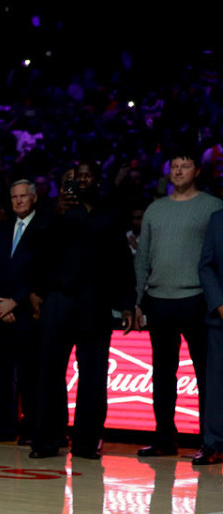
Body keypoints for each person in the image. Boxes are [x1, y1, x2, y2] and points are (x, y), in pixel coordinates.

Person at [28, 163, 136, 460]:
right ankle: (47, 440)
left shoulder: (109, 212)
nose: (82, 180)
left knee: (93, 375)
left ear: (97, 180)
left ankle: (87, 442)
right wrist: (56, 214)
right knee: (50, 372)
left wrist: (127, 302)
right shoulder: (53, 211)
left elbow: (122, 258)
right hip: (60, 299)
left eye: (87, 175)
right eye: (75, 177)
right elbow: (35, 248)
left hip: (97, 301)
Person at [132, 151, 222, 456]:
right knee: (162, 374)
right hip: (158, 299)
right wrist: (138, 299)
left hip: (197, 298)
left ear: (197, 171)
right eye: (174, 166)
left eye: (185, 166)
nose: (178, 171)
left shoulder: (212, 206)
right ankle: (163, 439)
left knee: (206, 375)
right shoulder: (154, 210)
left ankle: (210, 442)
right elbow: (142, 257)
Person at [0, 179, 45, 444]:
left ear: (34, 198)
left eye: (23, 196)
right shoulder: (1, 230)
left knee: (29, 374)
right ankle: (1, 426)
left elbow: (41, 270)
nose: (18, 201)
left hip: (27, 312)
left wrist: (15, 301)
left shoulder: (44, 227)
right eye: (14, 197)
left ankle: (30, 428)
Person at [195, 209, 223, 465]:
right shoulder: (217, 219)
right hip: (220, 318)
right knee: (216, 385)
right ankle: (214, 443)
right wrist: (219, 304)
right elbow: (206, 266)